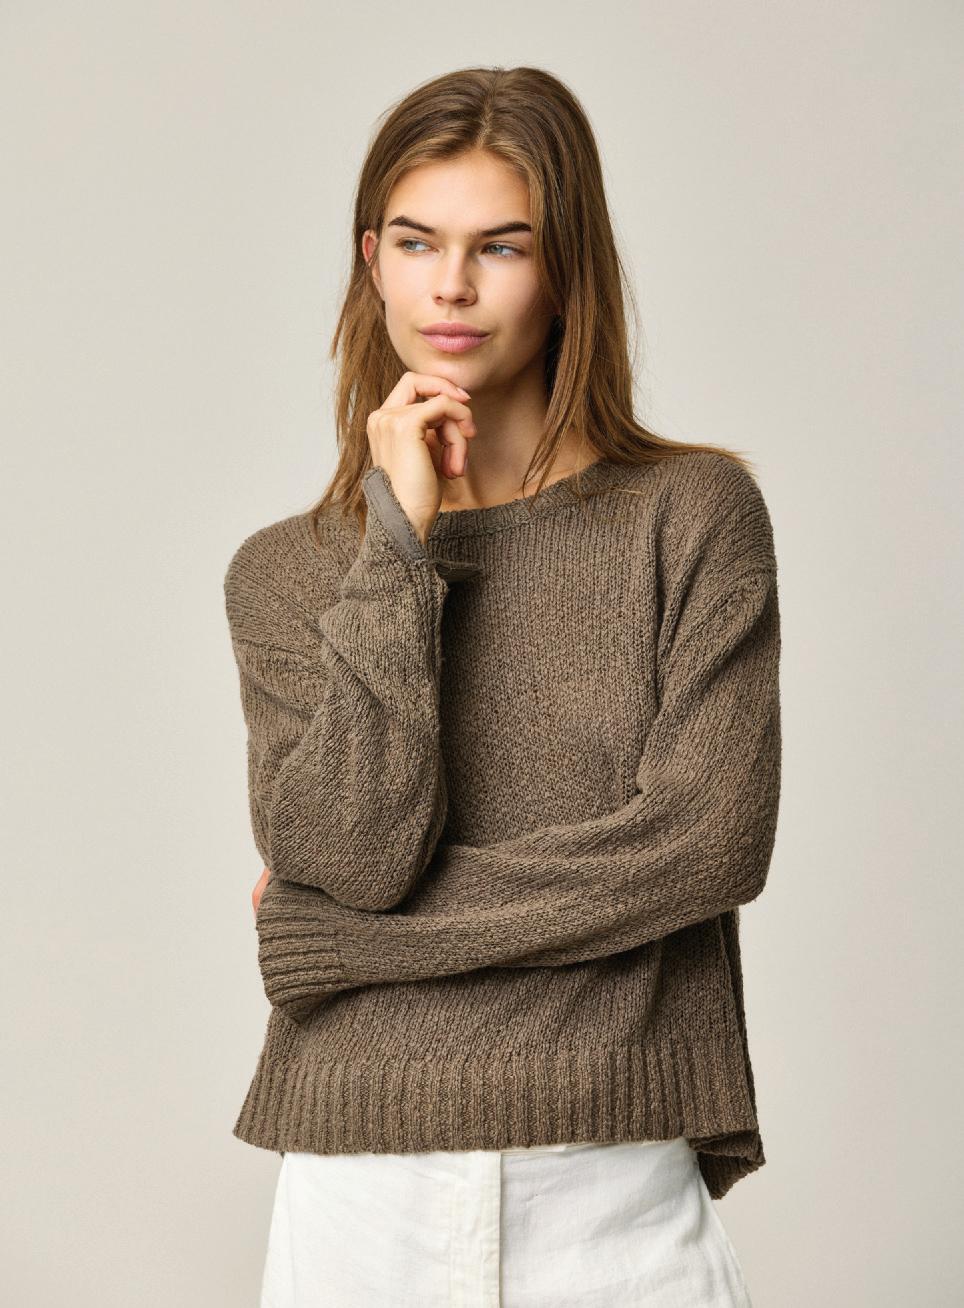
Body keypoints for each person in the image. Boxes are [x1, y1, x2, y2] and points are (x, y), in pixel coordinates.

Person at [224, 65, 781, 1307]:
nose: (452, 287)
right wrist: (399, 544)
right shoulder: (286, 572)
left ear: (565, 268)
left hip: (612, 1189)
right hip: (358, 1196)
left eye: (502, 246)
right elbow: (354, 850)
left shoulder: (689, 516)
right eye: (417, 242)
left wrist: (335, 938)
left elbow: (706, 844)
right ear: (372, 262)